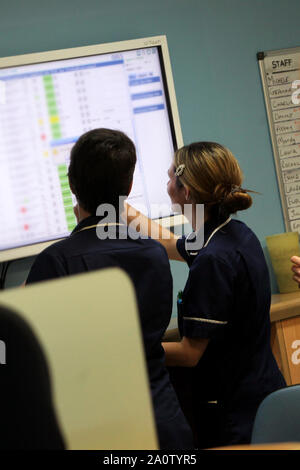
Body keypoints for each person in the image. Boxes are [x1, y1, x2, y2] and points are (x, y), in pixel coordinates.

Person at [25, 128, 193, 450]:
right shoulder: (154, 253)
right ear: (129, 186)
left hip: (96, 431)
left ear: (72, 184)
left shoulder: (57, 262)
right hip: (163, 425)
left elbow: (32, 357)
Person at [125, 141, 286, 448]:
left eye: (171, 176)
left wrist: (133, 349)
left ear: (186, 192)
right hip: (263, 394)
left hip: (235, 412)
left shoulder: (214, 260)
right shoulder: (233, 234)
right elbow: (171, 245)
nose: (166, 183)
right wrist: (119, 208)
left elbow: (189, 353)